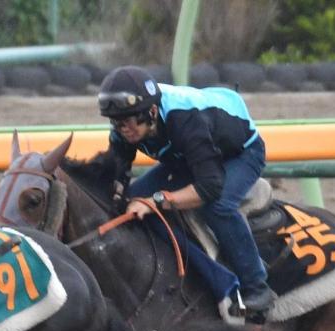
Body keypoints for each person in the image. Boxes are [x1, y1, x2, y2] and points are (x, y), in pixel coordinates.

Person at [97, 65, 277, 314]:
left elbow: (209, 188)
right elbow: (117, 177)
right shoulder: (123, 130)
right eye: (116, 123)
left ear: (151, 111)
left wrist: (156, 201)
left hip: (240, 155)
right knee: (129, 202)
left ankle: (257, 286)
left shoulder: (185, 119)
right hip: (185, 159)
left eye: (127, 122)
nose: (123, 129)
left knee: (218, 207)